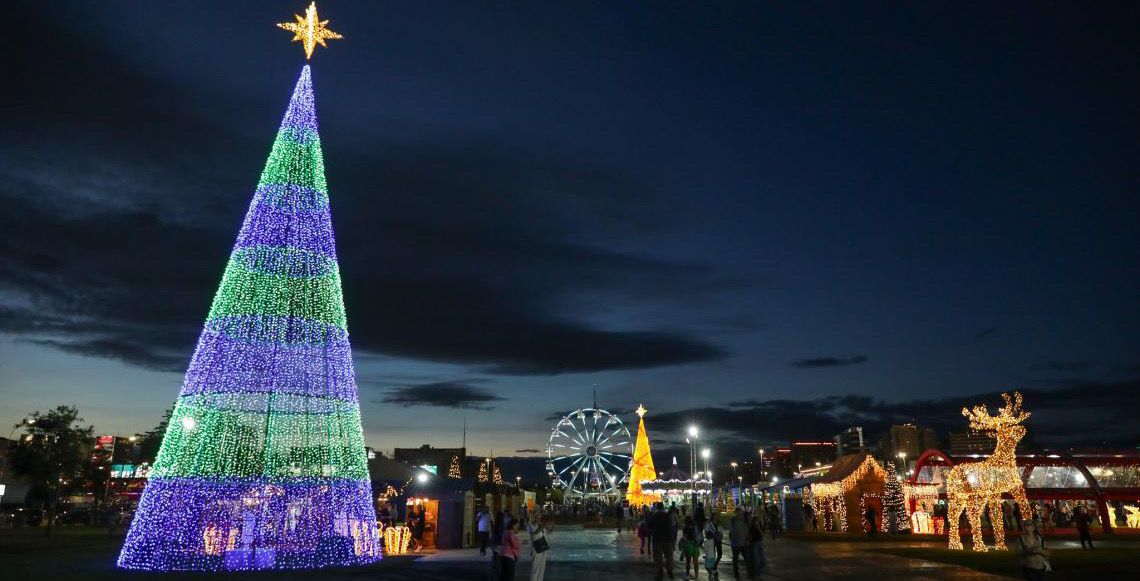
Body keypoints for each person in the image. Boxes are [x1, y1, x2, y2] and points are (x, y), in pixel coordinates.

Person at [648, 502, 675, 580]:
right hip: (668, 539)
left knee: (658, 557)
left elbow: (649, 526)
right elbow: (671, 526)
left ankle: (660, 573)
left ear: (656, 508)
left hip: (657, 539)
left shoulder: (654, 516)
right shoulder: (667, 516)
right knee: (669, 556)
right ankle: (670, 570)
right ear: (663, 508)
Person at [528, 514, 551, 581]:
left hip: (543, 548)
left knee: (542, 569)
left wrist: (550, 526)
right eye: (538, 518)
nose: (539, 519)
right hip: (536, 549)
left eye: (540, 517)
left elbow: (548, 531)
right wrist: (543, 526)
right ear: (534, 518)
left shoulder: (540, 525)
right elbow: (535, 532)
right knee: (535, 569)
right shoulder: (531, 525)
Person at [728, 509, 749, 579]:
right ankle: (736, 574)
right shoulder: (733, 521)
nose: (740, 514)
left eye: (741, 513)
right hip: (735, 544)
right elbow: (731, 531)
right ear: (736, 513)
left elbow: (746, 531)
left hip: (743, 543)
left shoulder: (744, 521)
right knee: (735, 560)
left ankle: (749, 573)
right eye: (739, 513)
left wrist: (747, 539)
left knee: (747, 559)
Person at [747, 515, 766, 580]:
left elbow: (763, 534)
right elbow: (749, 536)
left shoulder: (760, 527)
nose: (757, 522)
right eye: (756, 521)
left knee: (762, 560)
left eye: (758, 521)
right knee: (756, 560)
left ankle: (759, 573)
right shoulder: (751, 528)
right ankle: (756, 575)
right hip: (754, 544)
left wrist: (759, 528)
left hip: (760, 543)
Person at [490, 511, 504, 581]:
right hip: (498, 547)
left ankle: (494, 577)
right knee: (498, 566)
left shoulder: (495, 525)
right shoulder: (500, 525)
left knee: (496, 565)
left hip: (495, 546)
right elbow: (500, 536)